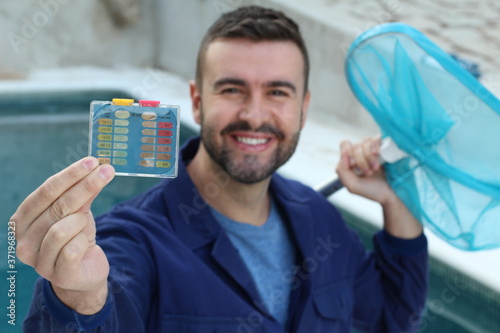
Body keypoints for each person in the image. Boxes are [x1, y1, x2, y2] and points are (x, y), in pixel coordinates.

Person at [15, 5, 427, 332]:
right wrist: (81, 297)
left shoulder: (322, 221)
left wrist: (396, 200)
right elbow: (103, 309)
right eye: (232, 89)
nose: (253, 114)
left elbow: (392, 319)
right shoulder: (132, 240)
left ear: (303, 109)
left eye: (277, 92)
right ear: (197, 101)